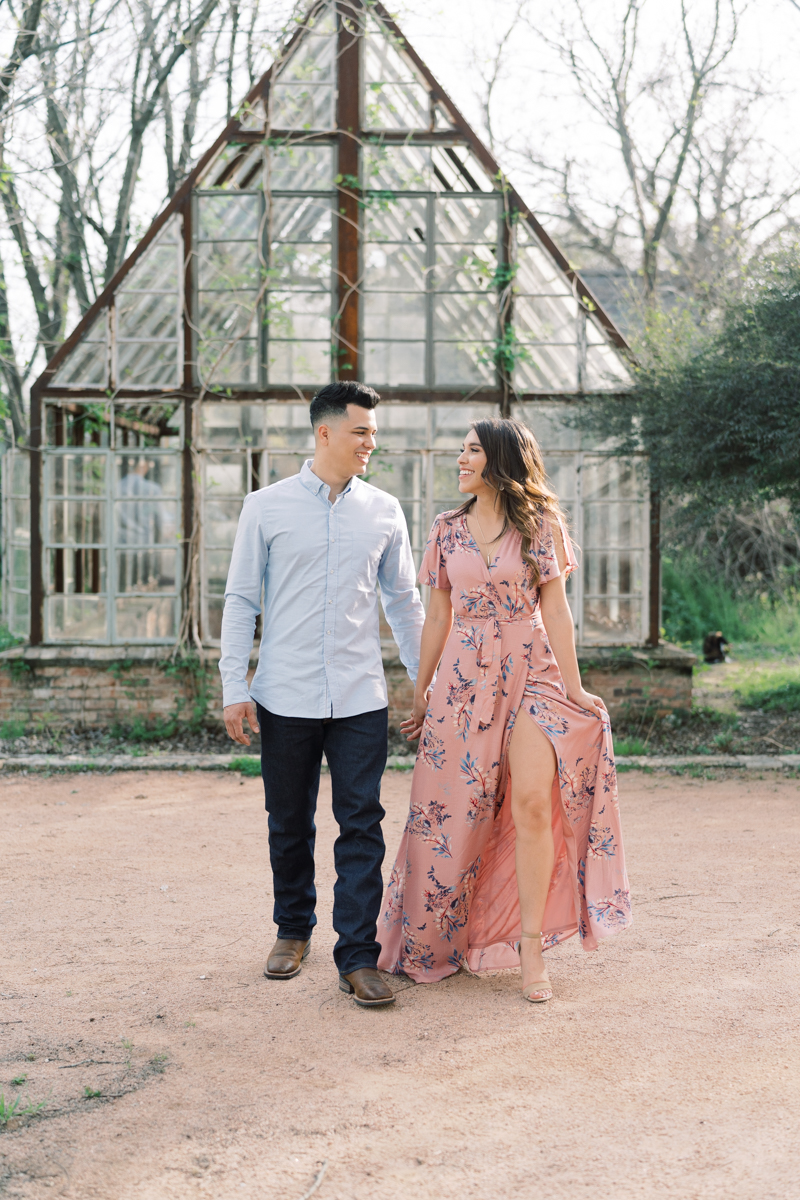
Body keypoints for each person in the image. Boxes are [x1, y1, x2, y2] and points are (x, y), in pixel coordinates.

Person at [377, 417, 632, 1002]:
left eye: (471, 451)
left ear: (498, 460)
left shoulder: (541, 524)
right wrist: (422, 692)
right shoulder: (446, 529)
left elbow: (558, 611)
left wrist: (574, 686)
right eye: (461, 451)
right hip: (464, 682)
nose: (461, 460)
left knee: (533, 804)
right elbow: (437, 616)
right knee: (453, 814)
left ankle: (531, 946)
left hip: (532, 671)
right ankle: (440, 937)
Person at [219, 381, 425, 1008]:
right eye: (361, 431)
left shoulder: (386, 511)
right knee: (289, 820)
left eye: (374, 432)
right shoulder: (266, 507)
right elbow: (241, 600)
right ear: (325, 432)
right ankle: (292, 930)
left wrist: (426, 682)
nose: (371, 442)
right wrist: (235, 685)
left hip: (361, 696)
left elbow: (404, 602)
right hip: (284, 693)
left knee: (361, 823)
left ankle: (358, 956)